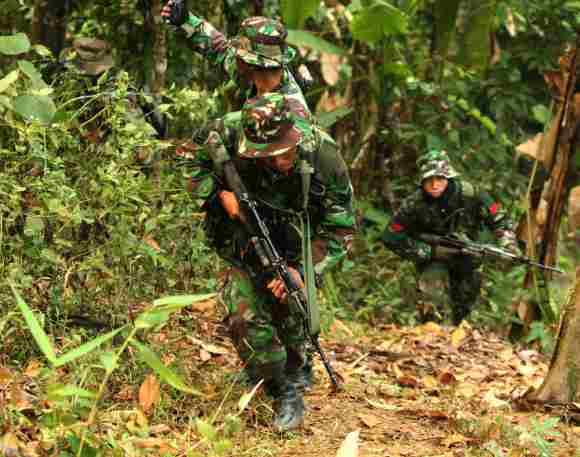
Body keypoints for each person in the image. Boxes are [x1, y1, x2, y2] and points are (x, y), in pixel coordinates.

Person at [189, 93, 356, 431]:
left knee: (289, 307)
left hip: (297, 243)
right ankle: (283, 389)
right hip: (238, 235)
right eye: (269, 154)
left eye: (285, 151)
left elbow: (342, 227)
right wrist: (218, 195)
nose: (280, 160)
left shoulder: (323, 154)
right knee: (241, 315)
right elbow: (190, 158)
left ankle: (291, 367)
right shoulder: (229, 130)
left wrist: (306, 270)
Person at [381, 150, 519, 325]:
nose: (434, 185)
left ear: (449, 178)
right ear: (422, 181)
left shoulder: (471, 194)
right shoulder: (414, 204)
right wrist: (430, 251)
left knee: (464, 306)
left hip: (468, 256)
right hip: (433, 259)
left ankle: (455, 336)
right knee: (431, 297)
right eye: (429, 180)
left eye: (440, 179)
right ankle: (430, 335)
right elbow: (390, 236)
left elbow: (500, 220)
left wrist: (508, 244)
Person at [161, 1, 309, 111]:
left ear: (250, 63)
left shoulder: (290, 110)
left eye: (239, 55)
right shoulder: (254, 72)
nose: (234, 56)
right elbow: (220, 49)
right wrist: (186, 21)